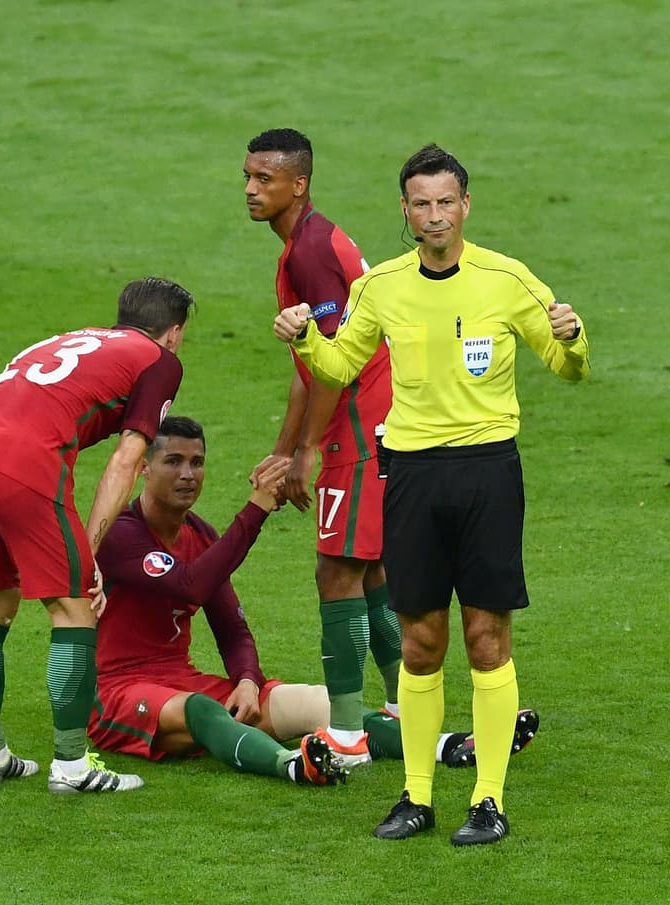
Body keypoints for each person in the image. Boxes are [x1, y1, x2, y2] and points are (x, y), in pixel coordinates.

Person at [273, 144, 589, 846]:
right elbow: (342, 361)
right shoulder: (382, 286)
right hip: (411, 474)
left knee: (485, 636)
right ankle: (415, 797)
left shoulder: (506, 279)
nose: (435, 214)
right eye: (422, 202)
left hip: (486, 473)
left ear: (466, 206)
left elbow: (566, 368)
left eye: (447, 201)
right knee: (420, 641)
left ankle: (488, 800)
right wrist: (304, 339)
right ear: (406, 211)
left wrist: (573, 338)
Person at [88, 416, 480, 783]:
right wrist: (256, 509)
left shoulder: (200, 535)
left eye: (197, 462)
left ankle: (447, 746)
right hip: (116, 692)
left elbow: (232, 628)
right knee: (202, 709)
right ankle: (292, 764)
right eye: (173, 461)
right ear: (143, 468)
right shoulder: (121, 535)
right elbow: (190, 584)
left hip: (181, 682)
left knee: (317, 702)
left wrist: (245, 680)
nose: (188, 474)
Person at [0, 276, 193, 795]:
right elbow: (128, 460)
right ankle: (73, 766)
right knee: (76, 605)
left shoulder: (68, 339)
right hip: (24, 467)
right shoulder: (160, 361)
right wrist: (92, 552)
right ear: (172, 332)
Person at [243, 127, 402, 769]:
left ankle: (346, 732)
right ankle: (403, 708)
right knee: (372, 569)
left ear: (298, 184)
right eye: (247, 178)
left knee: (336, 569)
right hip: (369, 417)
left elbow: (336, 365)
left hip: (362, 424)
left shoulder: (309, 252)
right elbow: (306, 365)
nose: (252, 191)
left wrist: (309, 451)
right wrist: (284, 448)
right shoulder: (305, 242)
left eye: (265, 179)